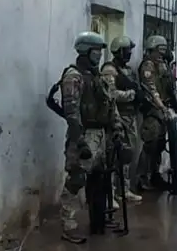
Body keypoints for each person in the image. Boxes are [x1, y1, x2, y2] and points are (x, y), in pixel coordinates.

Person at [58, 31, 123, 244]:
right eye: (96, 51)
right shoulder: (73, 76)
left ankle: (98, 220)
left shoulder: (97, 76)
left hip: (101, 134)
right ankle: (68, 225)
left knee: (99, 179)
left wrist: (116, 130)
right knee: (77, 179)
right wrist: (80, 142)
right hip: (84, 133)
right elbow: (71, 112)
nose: (99, 55)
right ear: (85, 51)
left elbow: (110, 104)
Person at [101, 36, 143, 203]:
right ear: (118, 51)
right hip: (117, 117)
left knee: (127, 155)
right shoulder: (109, 70)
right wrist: (132, 95)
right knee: (113, 156)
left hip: (130, 117)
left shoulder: (127, 70)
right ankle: (110, 194)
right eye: (126, 51)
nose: (129, 53)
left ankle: (123, 190)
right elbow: (111, 94)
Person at [137, 34, 173, 191]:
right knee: (150, 145)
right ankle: (142, 178)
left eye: (163, 51)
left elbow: (168, 86)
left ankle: (155, 175)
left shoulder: (162, 66)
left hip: (162, 110)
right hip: (152, 110)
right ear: (151, 50)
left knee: (159, 145)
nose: (161, 54)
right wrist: (162, 107)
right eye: (159, 51)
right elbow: (151, 90)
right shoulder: (148, 66)